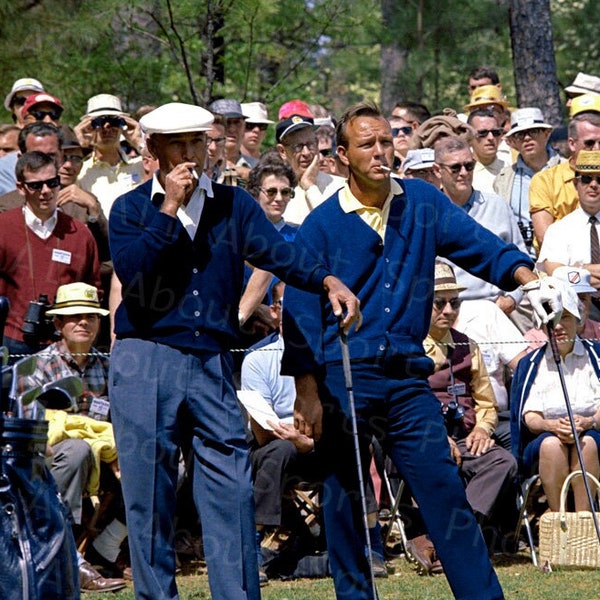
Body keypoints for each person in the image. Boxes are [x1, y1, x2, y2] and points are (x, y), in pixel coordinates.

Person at [281, 101, 561, 600]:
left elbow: (482, 247)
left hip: (408, 377)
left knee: (445, 494)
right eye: (367, 144)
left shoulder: (422, 204)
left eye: (387, 141)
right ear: (342, 155)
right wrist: (305, 389)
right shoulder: (321, 224)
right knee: (344, 499)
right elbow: (299, 311)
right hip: (341, 376)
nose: (381, 151)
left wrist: (530, 279)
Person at [107, 102, 360, 600]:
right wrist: (170, 209)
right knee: (149, 494)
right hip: (144, 357)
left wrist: (325, 277)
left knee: (232, 489)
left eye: (196, 143)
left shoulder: (234, 204)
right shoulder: (130, 208)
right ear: (153, 152)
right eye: (177, 145)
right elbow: (136, 282)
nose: (189, 155)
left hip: (213, 361)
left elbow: (280, 253)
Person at [27, 282, 129, 592]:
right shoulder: (38, 366)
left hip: (102, 460)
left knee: (161, 458)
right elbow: (37, 429)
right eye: (73, 317)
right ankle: (66, 554)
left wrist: (115, 449)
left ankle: (110, 545)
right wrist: (102, 443)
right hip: (47, 460)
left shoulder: (109, 366)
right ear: (58, 323)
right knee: (76, 449)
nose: (83, 322)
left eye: (91, 316)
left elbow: (121, 420)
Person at [425, 262, 518, 551]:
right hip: (425, 440)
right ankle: (454, 536)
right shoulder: (410, 347)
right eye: (439, 303)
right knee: (439, 463)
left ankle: (460, 531)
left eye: (454, 302)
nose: (449, 311)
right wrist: (441, 438)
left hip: (466, 437)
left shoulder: (469, 346)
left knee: (505, 460)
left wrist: (482, 427)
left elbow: (486, 402)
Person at [0, 151, 101, 357]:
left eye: (52, 183)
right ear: (21, 188)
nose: (45, 191)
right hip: (12, 342)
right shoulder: (4, 227)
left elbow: (94, 289)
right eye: (36, 185)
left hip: (65, 344)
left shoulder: (80, 233)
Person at [511, 282, 600, 512]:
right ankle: (560, 519)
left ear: (578, 320)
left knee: (587, 444)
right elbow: (529, 417)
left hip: (592, 433)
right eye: (553, 319)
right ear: (542, 324)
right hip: (545, 437)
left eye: (566, 317)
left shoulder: (596, 356)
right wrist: (550, 425)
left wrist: (588, 422)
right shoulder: (531, 364)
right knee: (551, 445)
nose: (559, 326)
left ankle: (584, 520)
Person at [433, 136, 528, 320]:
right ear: (438, 170)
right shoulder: (430, 213)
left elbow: (520, 257)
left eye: (469, 166)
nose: (463, 173)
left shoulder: (497, 206)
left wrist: (512, 298)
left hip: (496, 310)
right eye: (455, 168)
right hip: (447, 314)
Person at [530, 94, 600, 249]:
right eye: (589, 143)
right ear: (572, 144)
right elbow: (545, 239)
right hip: (560, 267)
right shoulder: (545, 180)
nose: (597, 149)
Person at [494, 107, 561, 257]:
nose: (527, 138)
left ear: (546, 134)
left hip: (563, 260)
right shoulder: (503, 179)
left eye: (533, 132)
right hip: (521, 262)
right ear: (512, 142)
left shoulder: (566, 170)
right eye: (520, 135)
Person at [76, 94, 144, 219]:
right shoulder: (80, 173)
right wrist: (79, 145)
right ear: (88, 127)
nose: (107, 127)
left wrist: (138, 141)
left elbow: (163, 165)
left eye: (114, 122)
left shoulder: (141, 166)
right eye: (99, 122)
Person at [276, 113, 344, 225]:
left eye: (310, 144)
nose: (306, 153)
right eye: (297, 147)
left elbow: (334, 229)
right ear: (282, 151)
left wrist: (309, 186)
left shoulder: (340, 187)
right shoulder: (275, 194)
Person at [467, 107, 509, 192]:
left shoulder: (511, 170)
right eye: (483, 133)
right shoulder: (462, 174)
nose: (491, 137)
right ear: (469, 137)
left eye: (495, 132)